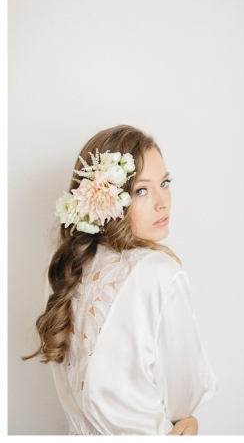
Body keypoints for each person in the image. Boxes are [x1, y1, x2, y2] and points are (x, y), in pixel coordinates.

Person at [24, 125, 216, 435]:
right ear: (106, 199)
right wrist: (188, 420)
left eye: (165, 183)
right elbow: (185, 396)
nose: (162, 201)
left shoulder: (64, 266)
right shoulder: (160, 272)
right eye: (141, 190)